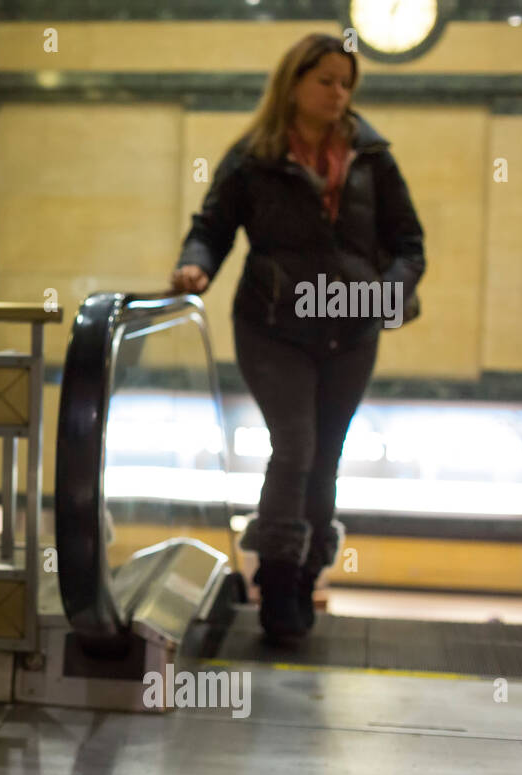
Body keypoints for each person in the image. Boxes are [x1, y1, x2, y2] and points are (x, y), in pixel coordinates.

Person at [170, 33, 425, 644]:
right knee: (295, 445)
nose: (339, 94)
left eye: (346, 84)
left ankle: (307, 573)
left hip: (352, 329)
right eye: (326, 81)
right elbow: (211, 227)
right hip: (273, 327)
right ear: (294, 84)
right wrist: (195, 266)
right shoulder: (254, 156)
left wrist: (387, 292)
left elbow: (410, 244)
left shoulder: (373, 156)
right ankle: (278, 580)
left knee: (326, 453)